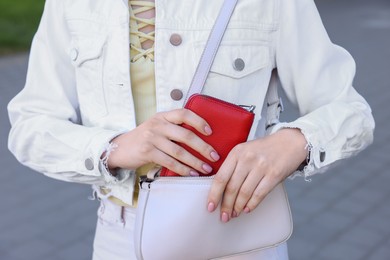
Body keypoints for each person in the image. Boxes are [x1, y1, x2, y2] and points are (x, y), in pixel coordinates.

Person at [7, 0, 374, 259]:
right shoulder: (72, 4)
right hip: (119, 237)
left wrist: (295, 142)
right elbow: (30, 123)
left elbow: (351, 110)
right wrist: (112, 147)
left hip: (237, 233)